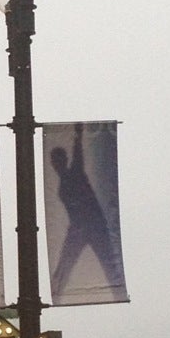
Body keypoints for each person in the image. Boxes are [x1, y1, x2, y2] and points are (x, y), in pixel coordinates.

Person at [47, 123, 124, 295]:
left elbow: (78, 152)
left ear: (63, 161)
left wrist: (78, 135)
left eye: (57, 160)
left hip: (94, 226)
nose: (55, 164)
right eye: (54, 161)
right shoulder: (66, 179)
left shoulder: (75, 172)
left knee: (108, 265)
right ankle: (57, 294)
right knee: (63, 268)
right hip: (79, 228)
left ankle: (117, 291)